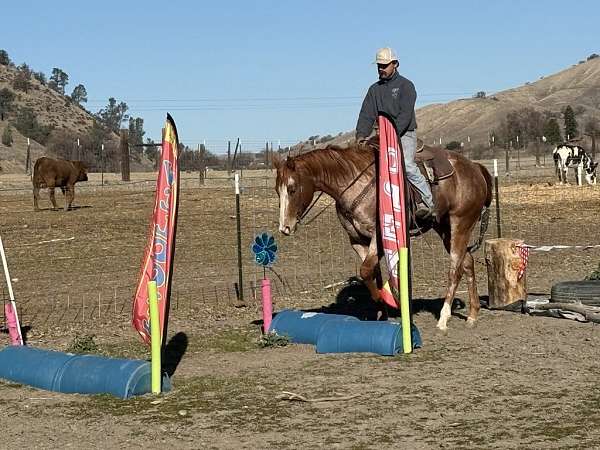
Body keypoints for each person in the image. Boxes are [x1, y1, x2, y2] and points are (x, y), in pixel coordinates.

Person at [355, 47, 434, 220]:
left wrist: (391, 134)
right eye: (379, 66)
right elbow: (366, 114)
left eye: (384, 65)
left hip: (404, 133)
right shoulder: (374, 90)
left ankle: (427, 202)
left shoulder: (406, 86)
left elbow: (405, 115)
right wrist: (361, 135)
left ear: (395, 64)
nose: (381, 69)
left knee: (406, 164)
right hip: (380, 135)